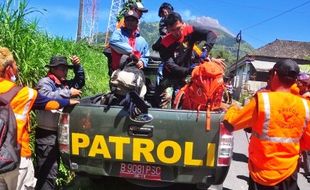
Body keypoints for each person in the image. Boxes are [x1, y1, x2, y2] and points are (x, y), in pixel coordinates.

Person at [223, 59, 310, 190]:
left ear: (275, 74)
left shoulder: (262, 100)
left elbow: (231, 124)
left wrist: (233, 108)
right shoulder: (305, 105)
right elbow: (307, 142)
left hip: (262, 173)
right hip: (289, 171)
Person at [0, 47, 79, 190]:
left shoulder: (61, 82)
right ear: (9, 69)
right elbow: (49, 103)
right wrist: (68, 100)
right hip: (17, 157)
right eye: (15, 65)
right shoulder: (23, 94)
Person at [35, 55, 85, 190]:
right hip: (46, 134)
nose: (65, 71)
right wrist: (68, 93)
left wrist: (78, 67)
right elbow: (46, 97)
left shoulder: (63, 84)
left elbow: (79, 82)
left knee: (53, 169)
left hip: (59, 132)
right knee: (47, 171)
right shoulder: (44, 82)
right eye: (62, 68)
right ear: (53, 69)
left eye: (66, 68)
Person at [152, 11, 220, 108]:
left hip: (187, 77)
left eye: (178, 28)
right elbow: (171, 66)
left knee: (190, 100)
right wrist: (189, 70)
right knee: (166, 98)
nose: (176, 33)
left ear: (183, 24)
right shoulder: (164, 43)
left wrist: (205, 50)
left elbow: (211, 34)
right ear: (167, 30)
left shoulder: (189, 31)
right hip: (170, 77)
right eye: (172, 30)